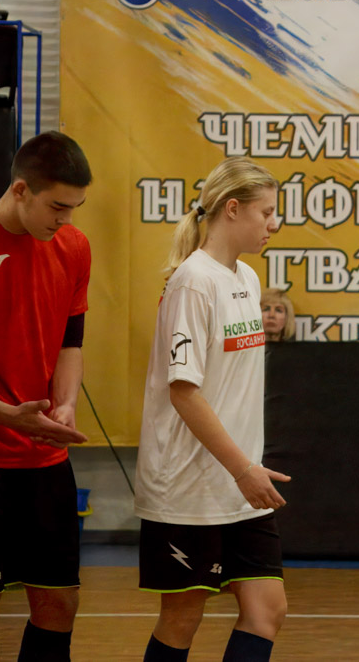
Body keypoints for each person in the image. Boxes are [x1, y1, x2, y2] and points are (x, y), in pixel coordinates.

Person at [135, 157, 291, 662]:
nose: (274, 224)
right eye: (266, 212)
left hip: (240, 484)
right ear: (232, 209)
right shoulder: (193, 281)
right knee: (182, 618)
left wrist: (245, 471)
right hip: (189, 489)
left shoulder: (246, 276)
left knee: (267, 610)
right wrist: (243, 468)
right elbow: (184, 393)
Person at [0, 131, 92, 661]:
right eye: (57, 207)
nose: (65, 220)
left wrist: (64, 404)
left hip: (44, 460)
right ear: (21, 189)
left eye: (75, 208)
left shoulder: (74, 247)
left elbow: (71, 341)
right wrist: (5, 414)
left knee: (59, 603)